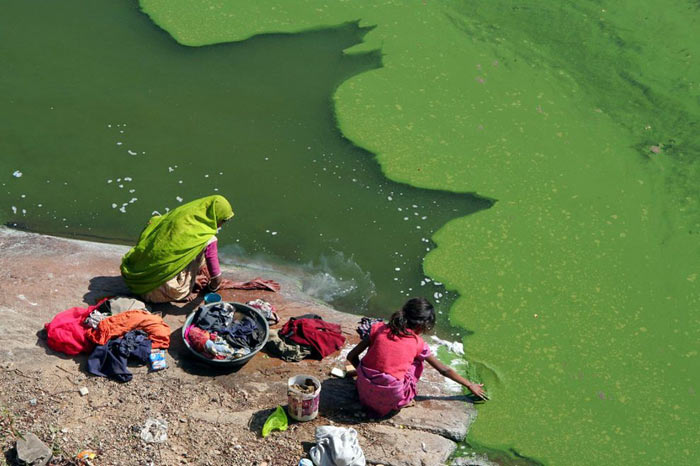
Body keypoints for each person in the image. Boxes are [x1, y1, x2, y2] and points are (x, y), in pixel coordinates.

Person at [346, 297, 487, 417]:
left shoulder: (379, 329)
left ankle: (372, 381)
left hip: (363, 392)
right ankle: (404, 400)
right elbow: (444, 370)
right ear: (423, 326)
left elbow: (351, 356)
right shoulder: (418, 343)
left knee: (377, 348)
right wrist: (469, 384)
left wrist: (362, 372)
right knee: (418, 360)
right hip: (390, 400)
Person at [120, 195, 236, 303]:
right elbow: (216, 278)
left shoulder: (180, 214)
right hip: (152, 292)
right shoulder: (208, 239)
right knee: (200, 259)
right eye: (224, 220)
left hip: (135, 279)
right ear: (217, 217)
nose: (222, 224)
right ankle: (178, 289)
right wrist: (211, 288)